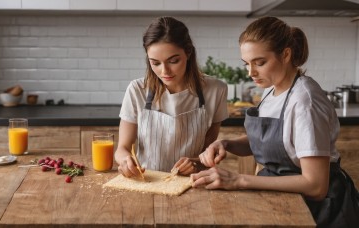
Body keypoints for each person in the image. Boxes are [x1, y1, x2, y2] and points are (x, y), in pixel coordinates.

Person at [191, 16, 359, 227]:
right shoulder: (272, 89)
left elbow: (316, 185)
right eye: (247, 64)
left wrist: (239, 180)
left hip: (318, 211)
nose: (251, 72)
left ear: (286, 54)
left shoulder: (305, 101)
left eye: (260, 63)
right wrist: (227, 144)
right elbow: (273, 141)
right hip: (279, 197)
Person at [115, 16, 228, 177]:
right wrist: (126, 161)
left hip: (192, 182)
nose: (164, 71)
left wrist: (195, 162)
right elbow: (122, 149)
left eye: (173, 61)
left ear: (188, 52)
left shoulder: (216, 90)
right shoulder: (137, 90)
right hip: (147, 180)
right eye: (155, 63)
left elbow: (207, 153)